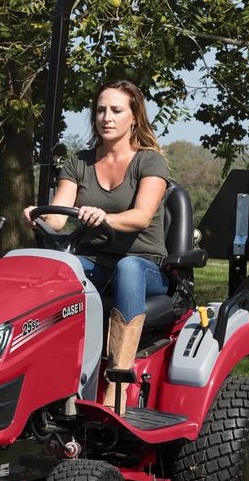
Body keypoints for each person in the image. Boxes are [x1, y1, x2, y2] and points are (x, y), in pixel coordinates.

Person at [23, 79, 169, 413]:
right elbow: (58, 218)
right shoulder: (79, 163)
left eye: (116, 110)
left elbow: (141, 217)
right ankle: (46, 375)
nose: (107, 117)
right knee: (53, 270)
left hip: (144, 265)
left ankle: (117, 384)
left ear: (134, 117)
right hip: (94, 262)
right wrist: (36, 214)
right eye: (101, 110)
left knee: (126, 267)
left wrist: (104, 216)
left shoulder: (150, 162)